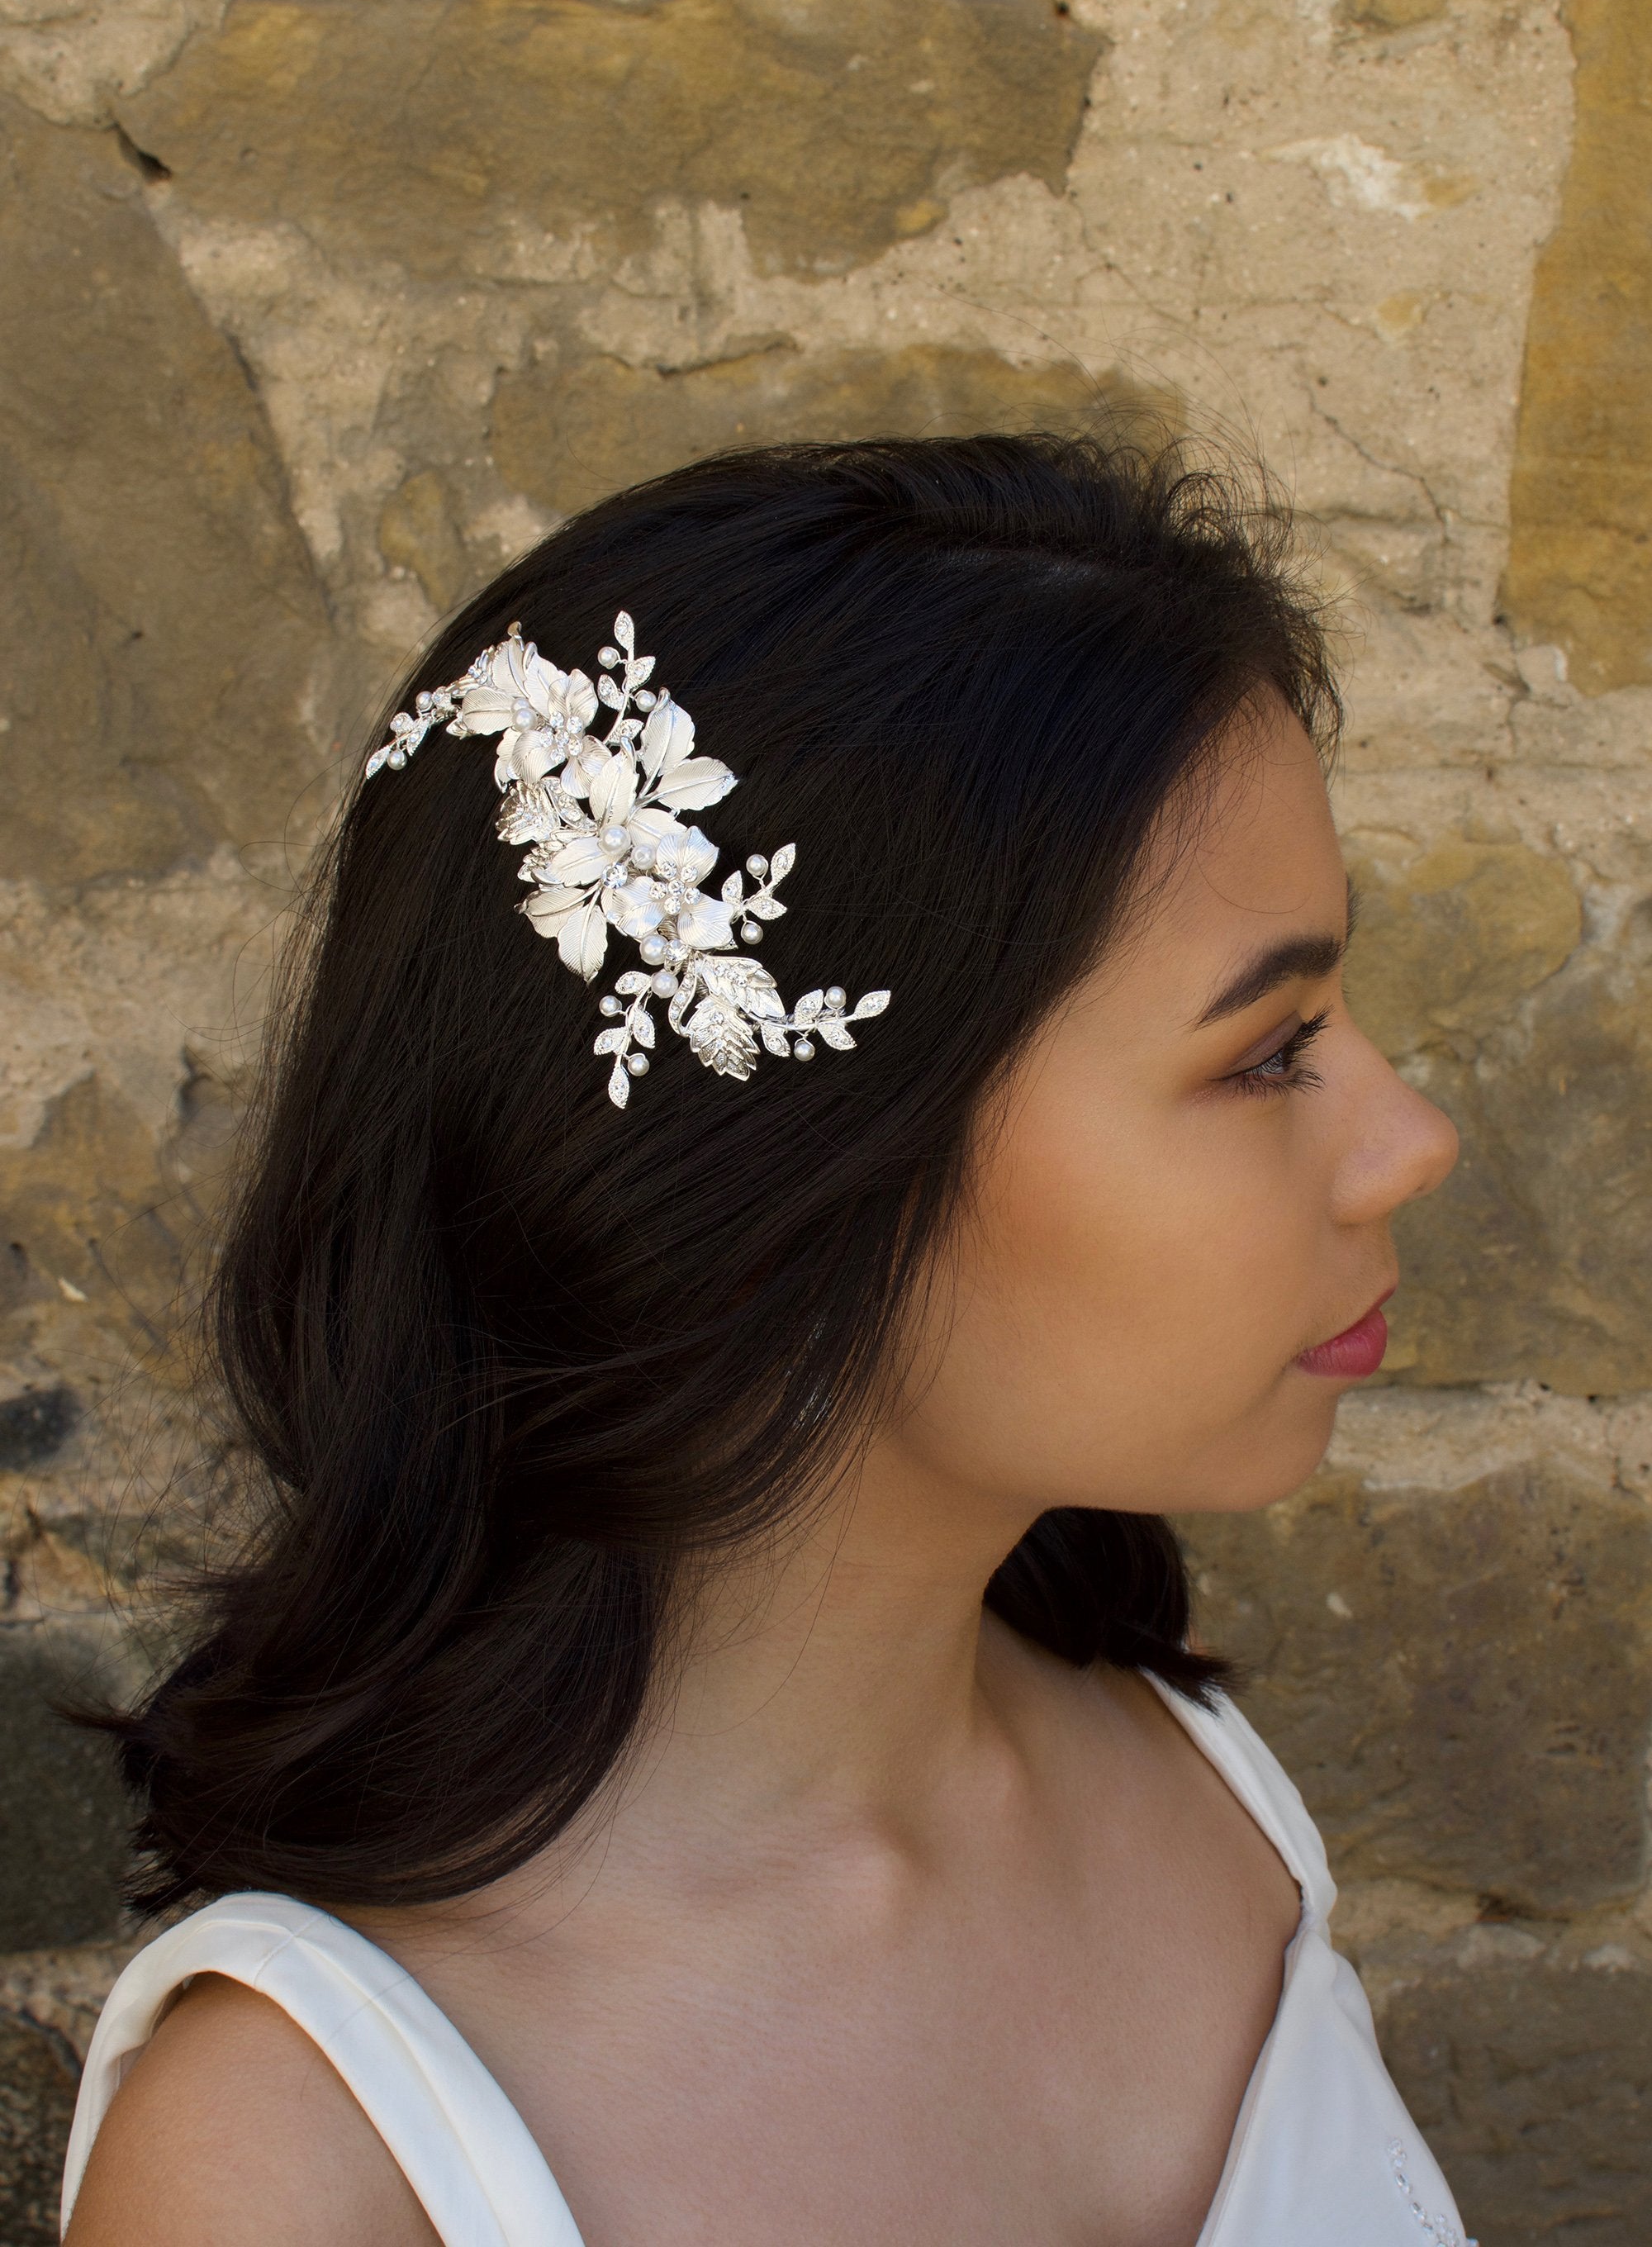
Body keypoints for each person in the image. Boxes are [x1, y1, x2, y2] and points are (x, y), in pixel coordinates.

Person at [61, 430, 1466, 2247]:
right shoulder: (306, 2167)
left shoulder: (1194, 1792)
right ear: (783, 1176)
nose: (1409, 1136)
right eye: (1266, 1048)